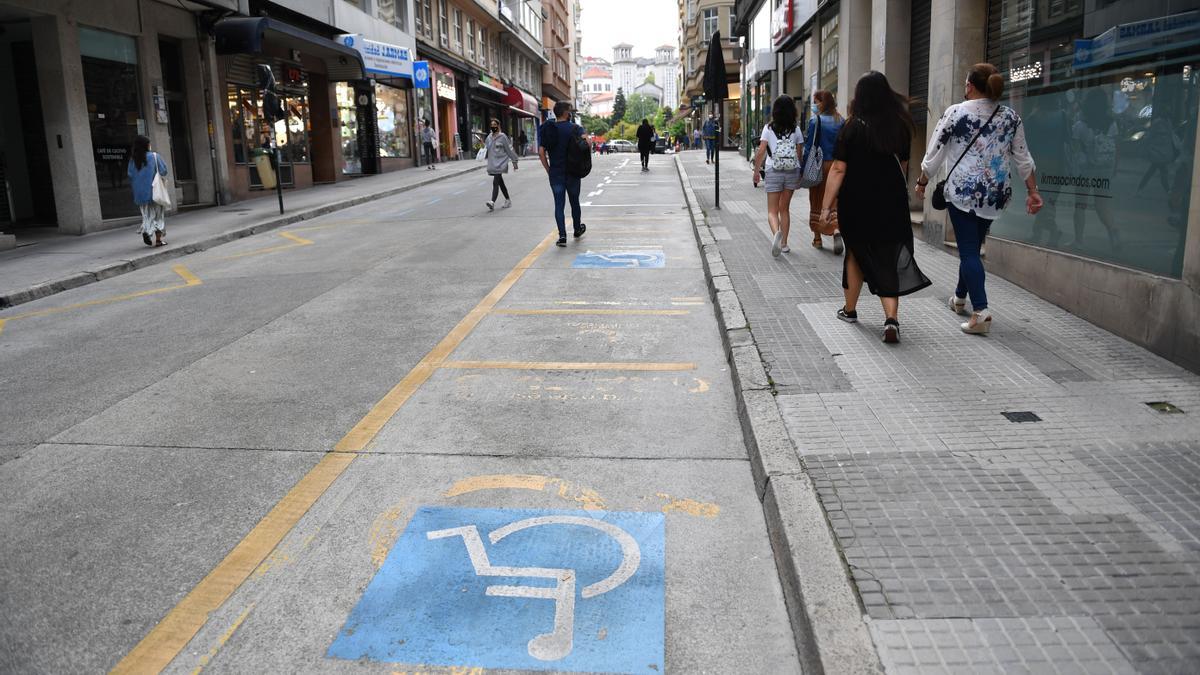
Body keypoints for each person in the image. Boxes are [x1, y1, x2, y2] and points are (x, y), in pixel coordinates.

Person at [917, 63, 1042, 336]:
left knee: (969, 251)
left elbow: (934, 154)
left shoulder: (956, 113)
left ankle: (981, 311)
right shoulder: (1011, 117)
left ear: (970, 86)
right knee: (972, 247)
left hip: (962, 192)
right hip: (994, 195)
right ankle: (960, 298)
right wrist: (1033, 191)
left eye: (965, 84)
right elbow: (1023, 158)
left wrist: (923, 181)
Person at [819, 71, 931, 344]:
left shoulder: (852, 127)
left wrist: (825, 207)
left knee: (856, 253)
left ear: (860, 97)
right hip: (891, 201)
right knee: (888, 253)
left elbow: (838, 169)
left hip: (857, 202)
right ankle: (891, 318)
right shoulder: (900, 126)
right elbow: (903, 166)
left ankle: (850, 309)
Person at [752, 95, 804, 257]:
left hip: (773, 170)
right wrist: (798, 170)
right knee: (785, 209)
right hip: (791, 171)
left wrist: (756, 172)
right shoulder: (796, 129)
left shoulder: (768, 128)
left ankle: (776, 234)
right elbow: (799, 152)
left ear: (775, 111)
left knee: (772, 211)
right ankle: (785, 244)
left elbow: (761, 151)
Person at [803, 90, 846, 252]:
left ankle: (817, 238)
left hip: (819, 165)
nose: (815, 105)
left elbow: (809, 146)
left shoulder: (816, 121)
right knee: (834, 199)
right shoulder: (841, 120)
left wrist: (804, 167)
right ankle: (836, 230)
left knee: (816, 199)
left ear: (824, 103)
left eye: (817, 101)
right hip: (837, 166)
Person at [539, 100, 587, 247]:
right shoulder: (576, 128)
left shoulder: (548, 129)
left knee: (559, 205)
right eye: (571, 110)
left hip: (556, 174)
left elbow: (541, 152)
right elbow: (587, 144)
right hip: (573, 172)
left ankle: (562, 236)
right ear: (566, 113)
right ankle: (577, 229)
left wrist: (549, 169)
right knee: (574, 202)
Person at [127, 135, 169, 247]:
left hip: (140, 194)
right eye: (149, 143)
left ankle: (147, 231)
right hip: (155, 192)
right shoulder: (154, 156)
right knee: (158, 216)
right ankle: (158, 240)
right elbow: (164, 171)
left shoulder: (133, 160)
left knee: (147, 215)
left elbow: (130, 175)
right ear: (146, 145)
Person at [484, 118, 519, 210]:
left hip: (501, 163)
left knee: (496, 181)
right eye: (492, 125)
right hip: (492, 164)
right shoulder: (489, 137)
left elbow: (509, 149)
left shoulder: (503, 137)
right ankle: (508, 200)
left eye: (495, 125)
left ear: (498, 126)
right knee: (500, 183)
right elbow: (486, 148)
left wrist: (514, 161)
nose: (493, 127)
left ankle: (492, 202)